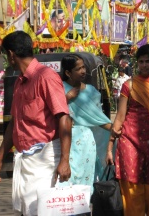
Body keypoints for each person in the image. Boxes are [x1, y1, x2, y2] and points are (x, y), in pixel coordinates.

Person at [0, 31, 72, 216]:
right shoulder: (20, 82)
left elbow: (64, 118)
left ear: (11, 54)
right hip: (26, 160)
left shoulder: (46, 77)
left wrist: (64, 160)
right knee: (28, 211)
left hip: (46, 159)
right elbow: (14, 124)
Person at [106, 44, 149, 216]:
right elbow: (120, 117)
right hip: (130, 141)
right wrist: (109, 147)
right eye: (141, 61)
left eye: (148, 61)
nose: (144, 65)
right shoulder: (129, 85)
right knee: (132, 193)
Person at [61, 54, 112, 193]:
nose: (83, 71)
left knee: (85, 182)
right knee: (66, 182)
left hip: (86, 141)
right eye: (78, 69)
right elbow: (51, 112)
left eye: (83, 67)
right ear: (67, 73)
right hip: (66, 141)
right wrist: (66, 98)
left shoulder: (92, 91)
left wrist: (117, 130)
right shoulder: (59, 89)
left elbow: (99, 119)